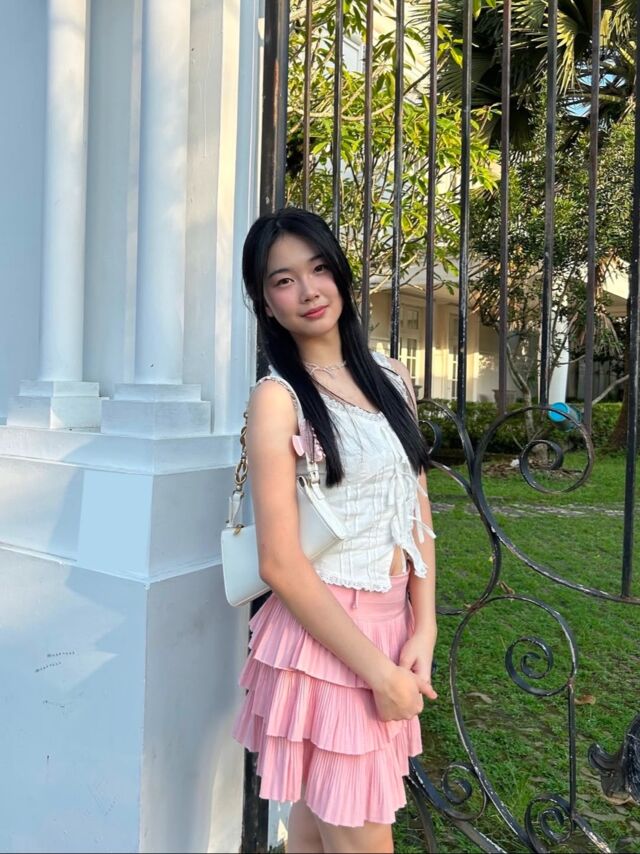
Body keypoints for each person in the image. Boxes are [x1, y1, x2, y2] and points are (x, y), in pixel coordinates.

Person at [231, 207, 438, 854]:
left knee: (318, 830)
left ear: (341, 274)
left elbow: (416, 506)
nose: (309, 290)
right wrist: (378, 672)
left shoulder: (392, 377)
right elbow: (279, 562)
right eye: (284, 280)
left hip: (391, 623)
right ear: (266, 304)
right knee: (357, 835)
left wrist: (425, 623)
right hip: (326, 640)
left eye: (319, 268)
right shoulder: (278, 400)